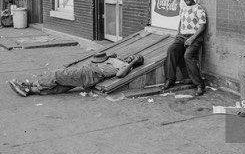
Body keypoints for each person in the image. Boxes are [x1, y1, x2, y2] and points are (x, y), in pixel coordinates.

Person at [8, 52, 144, 97]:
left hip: (89, 74)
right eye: (132, 56)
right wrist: (109, 56)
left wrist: (132, 63)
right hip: (89, 74)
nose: (131, 58)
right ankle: (29, 91)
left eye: (135, 58)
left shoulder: (125, 66)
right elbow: (97, 59)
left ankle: (30, 85)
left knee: (57, 75)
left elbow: (120, 75)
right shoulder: (118, 60)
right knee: (60, 87)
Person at [162, 0, 207, 96]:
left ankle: (199, 84)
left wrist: (192, 38)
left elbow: (202, 26)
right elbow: (181, 22)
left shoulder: (199, 9)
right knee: (171, 50)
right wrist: (178, 34)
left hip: (195, 37)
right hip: (182, 36)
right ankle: (170, 80)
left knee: (188, 55)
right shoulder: (183, 8)